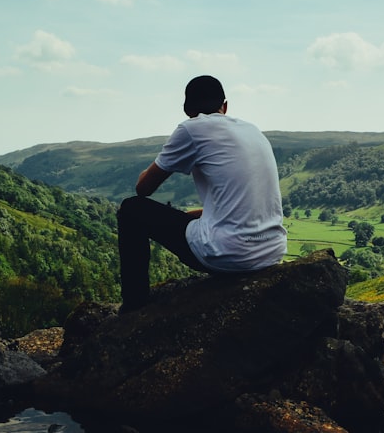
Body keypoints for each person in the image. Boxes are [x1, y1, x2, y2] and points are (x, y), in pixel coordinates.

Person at [117, 75, 287, 313]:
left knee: (131, 209)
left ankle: (134, 307)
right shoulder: (253, 130)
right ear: (225, 106)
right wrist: (188, 216)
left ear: (187, 110)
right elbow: (236, 204)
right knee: (183, 218)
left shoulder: (191, 128)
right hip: (272, 251)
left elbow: (143, 189)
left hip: (229, 253)